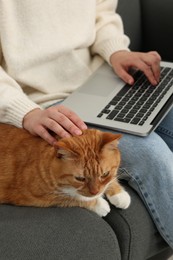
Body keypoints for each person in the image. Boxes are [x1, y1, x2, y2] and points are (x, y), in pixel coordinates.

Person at [0, 0, 173, 250]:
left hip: (103, 78)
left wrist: (116, 51)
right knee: (150, 153)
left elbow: (101, 11)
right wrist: (24, 111)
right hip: (41, 101)